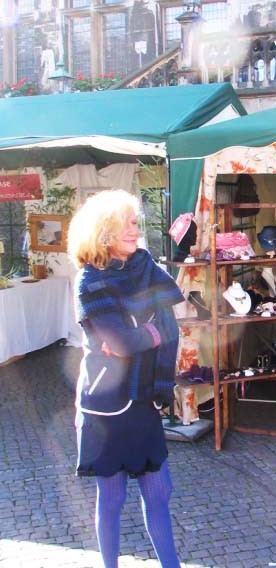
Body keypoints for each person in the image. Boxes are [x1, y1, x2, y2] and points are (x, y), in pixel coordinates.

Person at [67, 189, 184, 568]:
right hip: (108, 406)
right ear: (104, 230)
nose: (136, 230)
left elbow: (170, 324)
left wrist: (142, 334)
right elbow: (118, 341)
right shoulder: (90, 281)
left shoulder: (146, 265)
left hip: (146, 395)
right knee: (113, 498)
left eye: (135, 222)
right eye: (128, 223)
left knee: (159, 491)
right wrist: (148, 332)